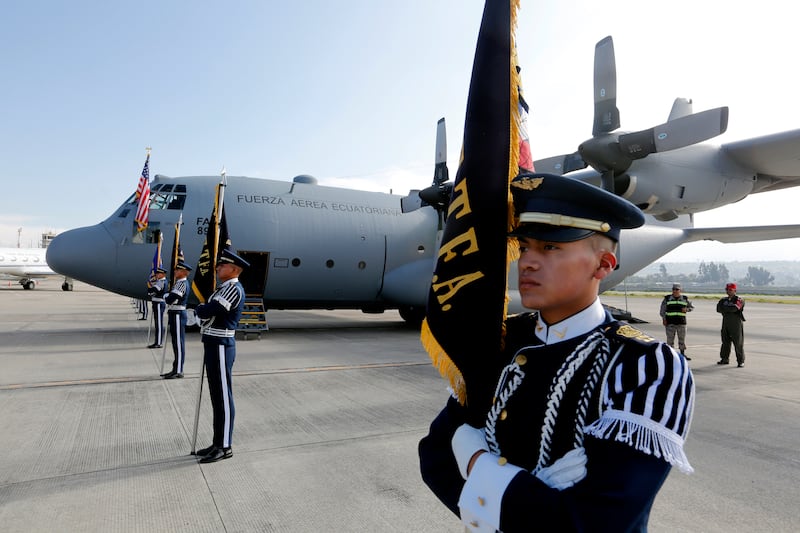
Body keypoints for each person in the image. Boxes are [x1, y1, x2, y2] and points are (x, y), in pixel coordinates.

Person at [419, 173, 695, 532]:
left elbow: (594, 523)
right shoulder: (502, 341)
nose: (527, 262)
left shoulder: (644, 365)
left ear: (604, 265)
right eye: (526, 246)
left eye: (551, 247)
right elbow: (435, 457)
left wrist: (473, 458)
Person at [194, 249, 249, 463]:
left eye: (222, 265)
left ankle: (225, 446)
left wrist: (202, 308)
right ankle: (217, 442)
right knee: (216, 395)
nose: (217, 268)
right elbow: (208, 309)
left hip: (221, 345)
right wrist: (203, 308)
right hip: (212, 343)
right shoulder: (223, 288)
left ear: (234, 269)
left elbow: (210, 310)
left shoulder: (233, 289)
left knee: (223, 397)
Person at [161, 261, 192, 379]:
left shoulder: (182, 284)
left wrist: (166, 297)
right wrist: (168, 297)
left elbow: (170, 299)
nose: (175, 271)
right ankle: (176, 368)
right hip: (174, 313)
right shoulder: (178, 283)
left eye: (178, 270)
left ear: (184, 272)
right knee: (175, 342)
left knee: (178, 343)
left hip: (178, 314)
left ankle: (178, 370)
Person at [660, 282, 694, 360]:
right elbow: (662, 311)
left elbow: (692, 307)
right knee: (670, 340)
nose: (675, 291)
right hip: (670, 323)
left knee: (682, 340)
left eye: (677, 289)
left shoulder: (684, 299)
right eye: (673, 289)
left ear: (680, 290)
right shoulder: (667, 299)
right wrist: (664, 319)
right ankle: (670, 355)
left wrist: (687, 309)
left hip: (681, 323)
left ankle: (682, 355)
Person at [716, 282, 746, 367]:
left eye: (730, 290)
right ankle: (724, 358)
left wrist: (725, 309)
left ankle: (740, 361)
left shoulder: (739, 299)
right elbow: (718, 308)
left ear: (735, 290)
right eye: (727, 289)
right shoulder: (723, 300)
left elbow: (735, 308)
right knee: (725, 342)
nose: (728, 291)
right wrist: (728, 308)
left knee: (738, 343)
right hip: (725, 323)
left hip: (736, 324)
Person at [147, 268, 168, 348]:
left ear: (163, 274)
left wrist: (150, 289)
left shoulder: (161, 282)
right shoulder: (160, 281)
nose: (157, 275)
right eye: (156, 274)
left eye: (158, 274)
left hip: (159, 303)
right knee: (157, 322)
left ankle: (158, 342)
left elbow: (155, 290)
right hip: (156, 303)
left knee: (159, 323)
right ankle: (157, 341)